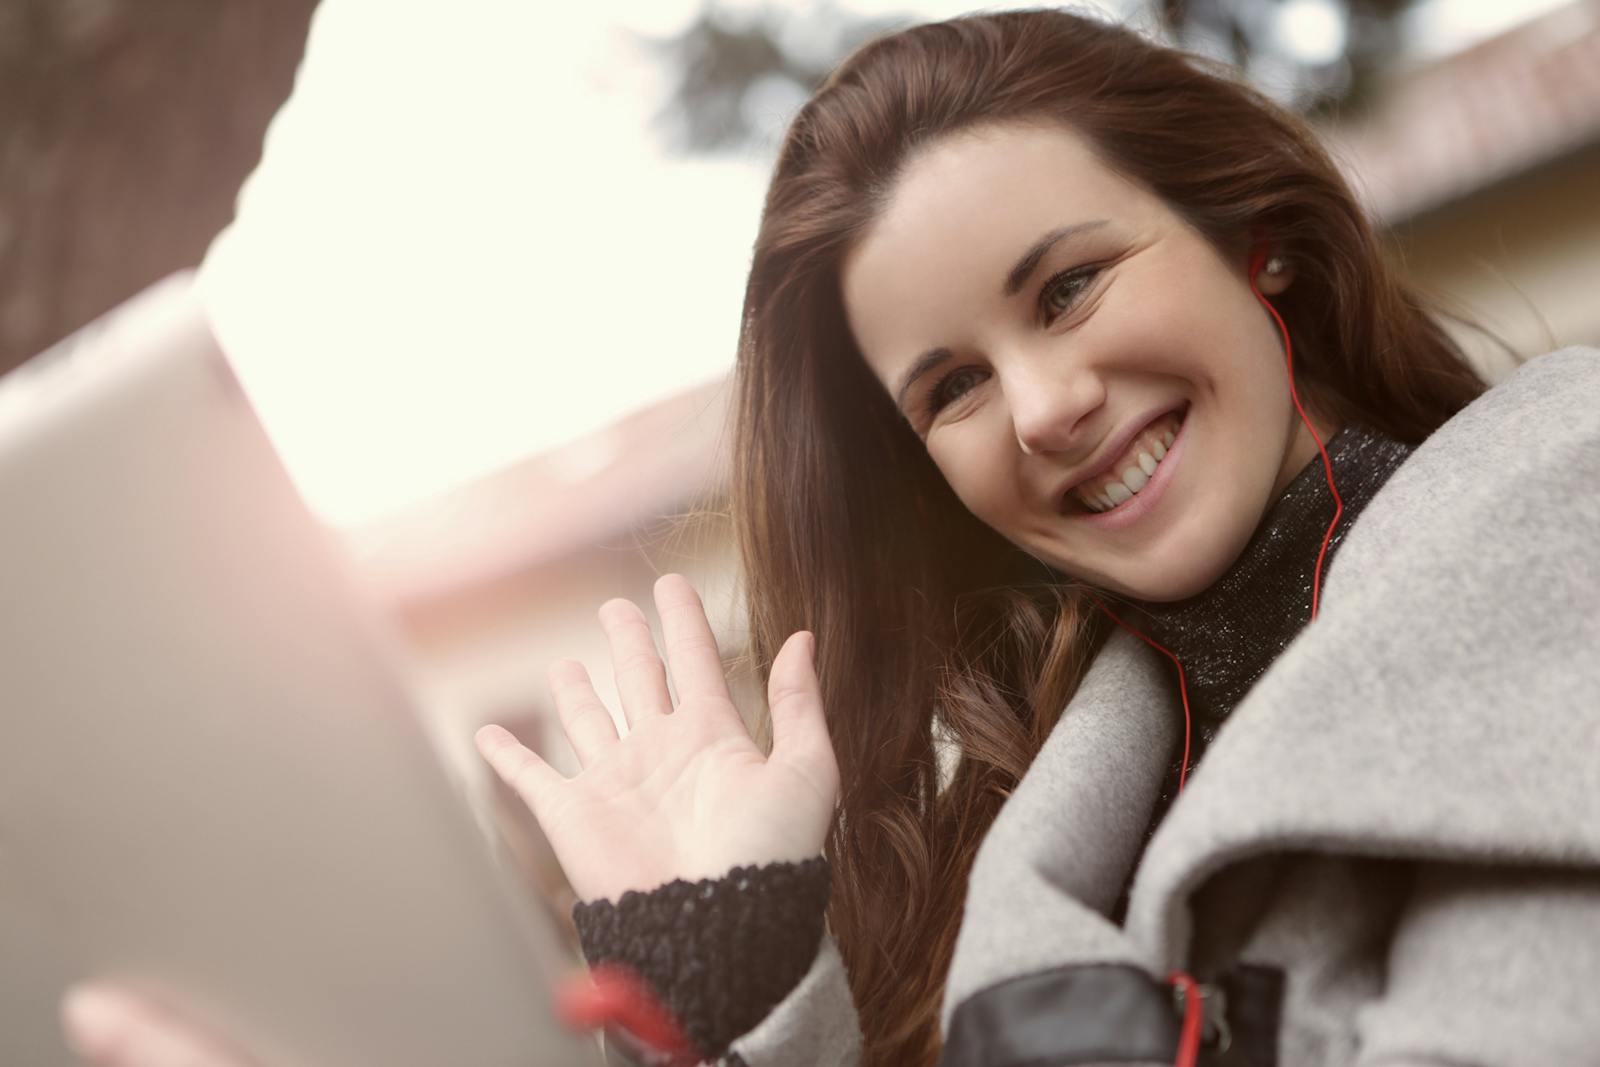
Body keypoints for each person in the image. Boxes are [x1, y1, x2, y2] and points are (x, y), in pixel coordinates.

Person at [62, 9, 1600, 1067]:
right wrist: (726, 965)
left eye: (1068, 287)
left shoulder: (1558, 523)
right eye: (952, 387)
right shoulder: (1027, 822)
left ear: (1250, 234)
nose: (1048, 405)